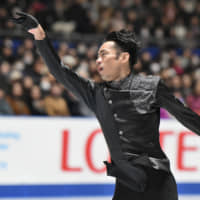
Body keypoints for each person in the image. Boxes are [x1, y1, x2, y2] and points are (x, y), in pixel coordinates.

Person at [12, 12, 200, 200]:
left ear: (123, 58)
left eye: (104, 54)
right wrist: (39, 35)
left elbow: (186, 116)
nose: (97, 60)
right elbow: (59, 72)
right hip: (127, 183)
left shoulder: (151, 87)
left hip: (158, 182)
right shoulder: (96, 93)